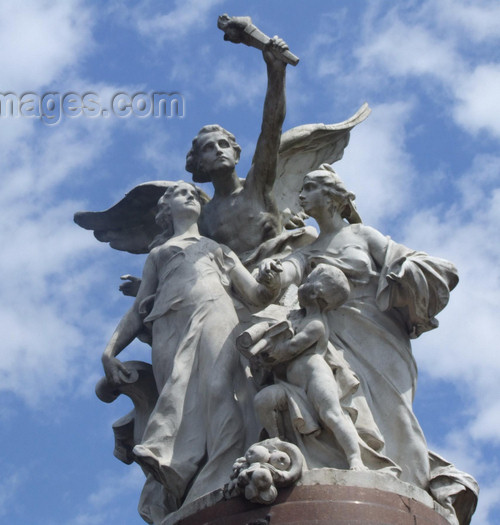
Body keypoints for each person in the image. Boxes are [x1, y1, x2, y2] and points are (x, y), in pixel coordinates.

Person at [256, 165, 478, 519]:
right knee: (345, 402)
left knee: (396, 412)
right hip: (331, 334)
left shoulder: (362, 234)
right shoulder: (310, 249)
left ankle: (413, 485)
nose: (301, 195)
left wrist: (404, 272)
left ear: (331, 198)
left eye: (310, 187)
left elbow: (415, 262)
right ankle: (356, 466)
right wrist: (272, 272)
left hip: (377, 330)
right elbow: (290, 270)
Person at [101, 181, 277, 519]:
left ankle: (225, 475)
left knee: (219, 391)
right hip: (169, 327)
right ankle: (189, 480)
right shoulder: (160, 254)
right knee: (178, 399)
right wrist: (109, 352)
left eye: (194, 193)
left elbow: (255, 295)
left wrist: (271, 281)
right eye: (181, 193)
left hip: (216, 317)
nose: (191, 195)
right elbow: (138, 310)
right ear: (165, 209)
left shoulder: (216, 249)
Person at [185, 36, 315, 262]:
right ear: (199, 164)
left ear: (236, 155)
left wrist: (276, 72)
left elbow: (271, 127)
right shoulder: (202, 217)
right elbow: (191, 259)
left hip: (279, 271)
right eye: (208, 148)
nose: (218, 150)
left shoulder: (257, 186)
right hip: (236, 285)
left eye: (223, 144)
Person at [253, 264, 367, 471]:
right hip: (290, 384)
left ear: (315, 292)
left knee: (332, 415)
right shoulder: (297, 317)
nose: (301, 285)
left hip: (315, 376)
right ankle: (277, 443)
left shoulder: (316, 324)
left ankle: (355, 459)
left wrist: (269, 354)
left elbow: (292, 348)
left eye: (307, 282)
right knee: (263, 400)